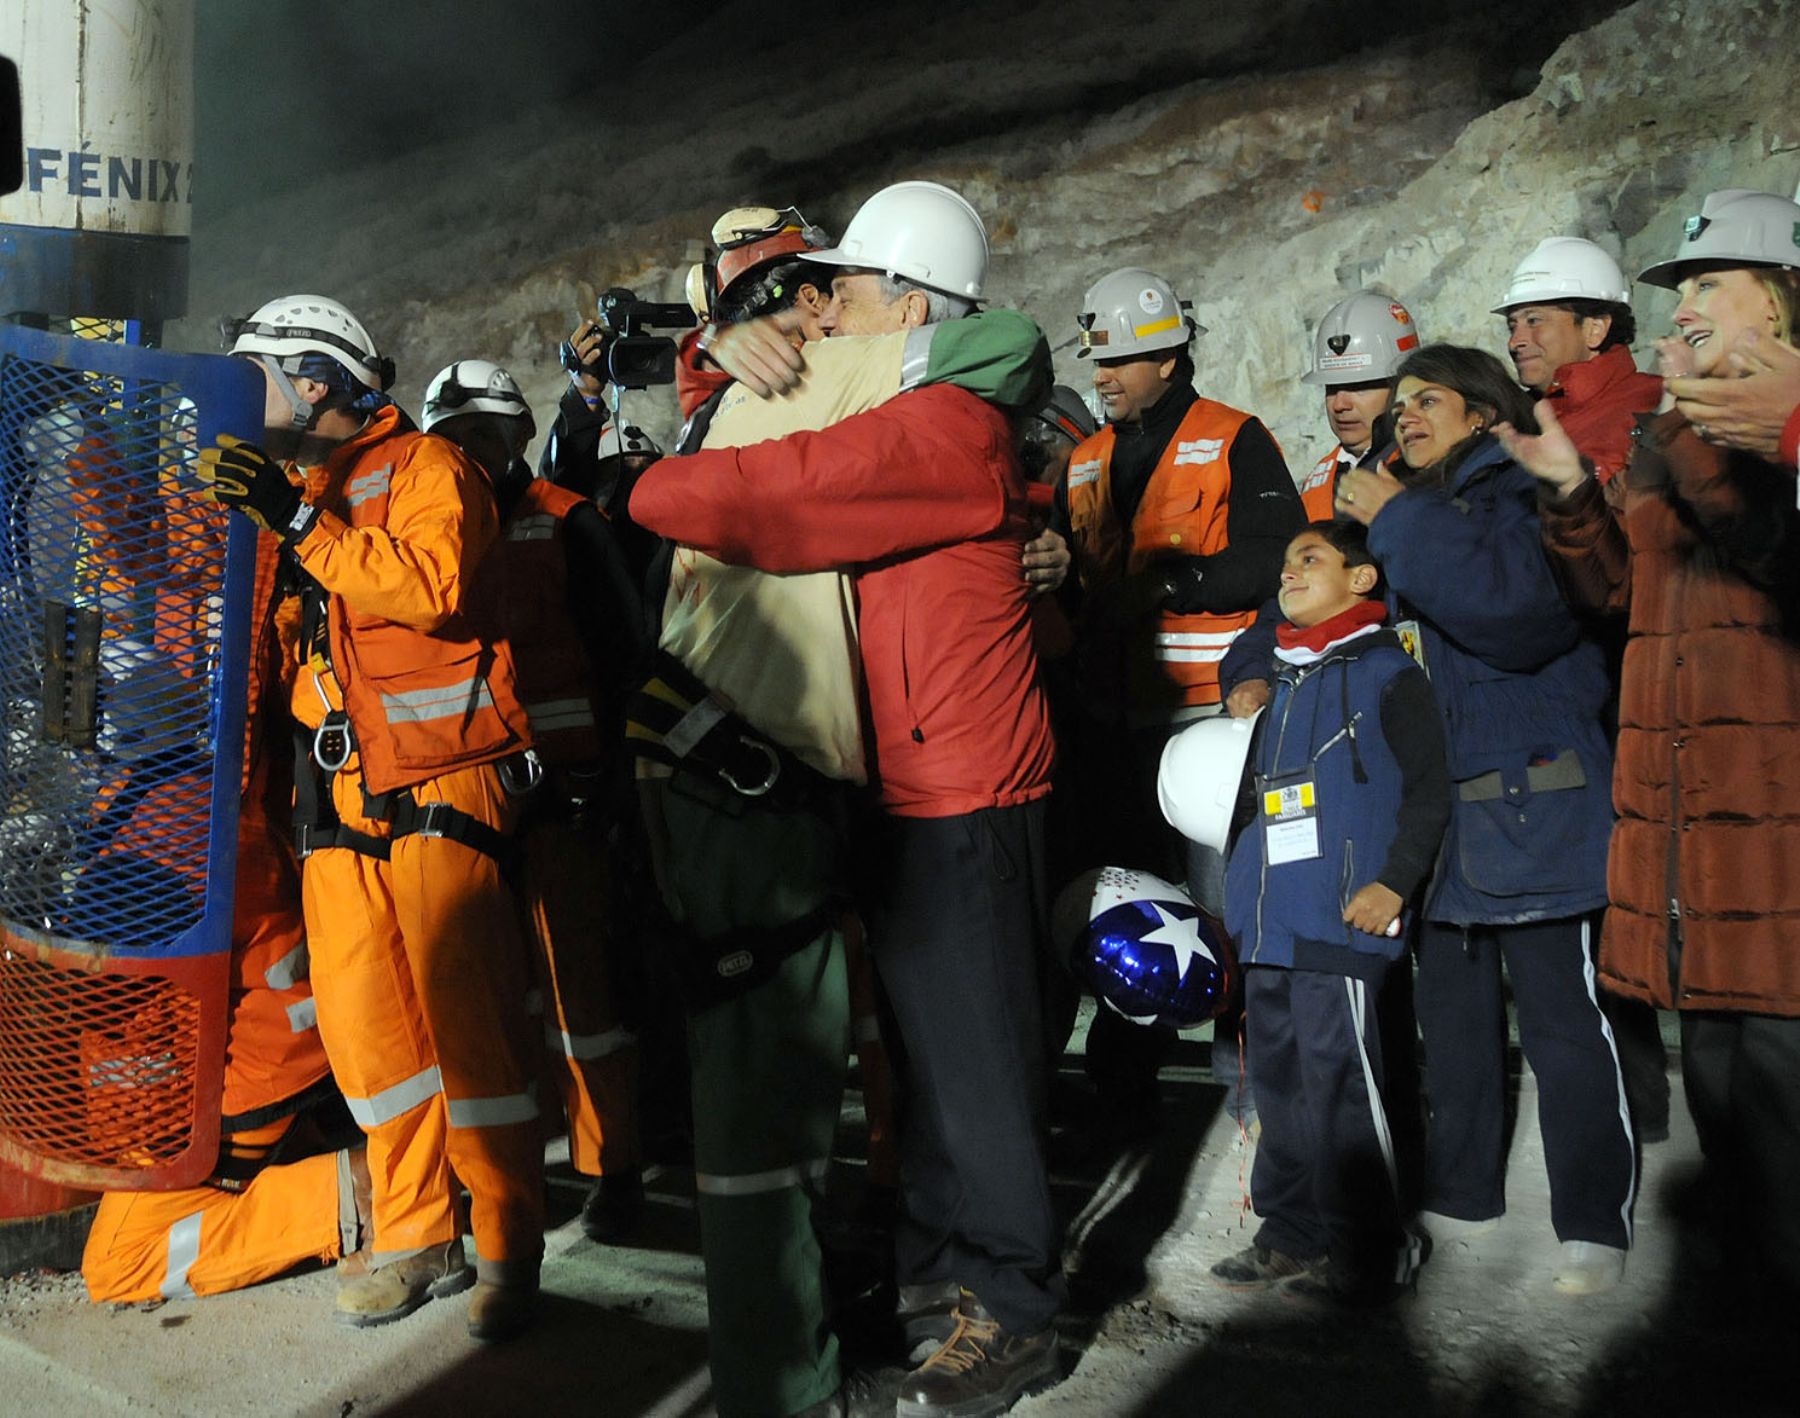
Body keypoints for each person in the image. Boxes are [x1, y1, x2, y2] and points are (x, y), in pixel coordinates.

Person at [632, 179, 1064, 1418]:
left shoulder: (943, 430)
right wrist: (723, 355)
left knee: (977, 1069)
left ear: (913, 303)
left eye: (853, 294)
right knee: (928, 1069)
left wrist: (658, 488)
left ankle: (1015, 1308)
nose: (827, 318)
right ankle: (940, 1285)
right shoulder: (922, 405)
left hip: (963, 789)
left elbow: (769, 492)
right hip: (914, 778)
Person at [199, 296, 544, 1340]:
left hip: (448, 774)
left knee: (467, 1021)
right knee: (368, 1031)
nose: (246, 395)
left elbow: (430, 585)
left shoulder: (430, 469)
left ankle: (506, 1242)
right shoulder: (299, 489)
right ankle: (413, 1229)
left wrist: (301, 524)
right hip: (343, 790)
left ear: (316, 379)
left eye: (260, 373)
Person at [1507, 187, 1800, 1310]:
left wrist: (1706, 442)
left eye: (1709, 290)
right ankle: (1737, 1296)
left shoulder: (1739, 438)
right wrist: (1575, 497)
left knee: (1778, 1066)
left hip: (1771, 801)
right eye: (1679, 295)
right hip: (1691, 800)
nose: (1682, 316)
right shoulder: (1677, 433)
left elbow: (1774, 553)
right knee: (1718, 1061)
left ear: (1775, 305)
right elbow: (1616, 594)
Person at [1334, 343, 1636, 1296]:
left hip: (1533, 792)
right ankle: (1463, 1197)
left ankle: (1595, 1220)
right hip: (1443, 810)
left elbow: (1516, 615)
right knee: (1451, 1016)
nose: (1407, 415)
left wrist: (1399, 520)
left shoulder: (1509, 495)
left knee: (1562, 1017)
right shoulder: (1408, 508)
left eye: (1432, 399)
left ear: (1482, 415)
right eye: (1403, 403)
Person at [83, 536, 362, 1304]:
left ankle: (358, 1197)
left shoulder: (157, 834)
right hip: (284, 1044)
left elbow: (128, 1037)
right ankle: (327, 1160)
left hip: (262, 1064)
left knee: (121, 1261)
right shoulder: (195, 796)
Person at [1058, 265, 1303, 1126]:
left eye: (1121, 362)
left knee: (1224, 913)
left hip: (1205, 723)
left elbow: (1279, 552)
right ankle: (1122, 1091)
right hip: (1113, 727)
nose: (1104, 377)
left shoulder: (1235, 437)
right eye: (1098, 363)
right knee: (1125, 913)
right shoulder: (1082, 461)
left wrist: (1175, 586)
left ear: (1168, 357)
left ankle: (1250, 1097)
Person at [420, 359, 648, 1244]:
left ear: (519, 434)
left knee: (582, 990)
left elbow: (627, 653)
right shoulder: (435, 525)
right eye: (454, 437)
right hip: (474, 792)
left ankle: (614, 1166)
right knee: (498, 993)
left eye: (485, 432)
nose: (471, 451)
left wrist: (611, 780)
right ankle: (524, 1171)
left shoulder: (567, 521)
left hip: (569, 790)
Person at [1210, 520, 1448, 1304]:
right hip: (1273, 924)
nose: (1288, 572)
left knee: (1344, 1082)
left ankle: (1374, 1245)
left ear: (1362, 580)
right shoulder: (1280, 681)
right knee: (1278, 1082)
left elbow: (1429, 790)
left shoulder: (1388, 674)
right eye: (1283, 561)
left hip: (1343, 916)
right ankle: (1292, 1234)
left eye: (1310, 557)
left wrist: (1393, 883)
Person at [1495, 236, 1672, 1141]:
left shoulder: (1638, 413)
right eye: (1514, 321)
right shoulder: (1538, 415)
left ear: (1596, 324)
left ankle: (1638, 1113)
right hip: (1560, 687)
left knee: (1613, 899)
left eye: (1537, 319)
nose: (1519, 335)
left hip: (1611, 680)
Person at [1494, 237, 1662, 485]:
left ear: (1594, 329)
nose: (1515, 342)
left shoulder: (1657, 405)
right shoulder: (1515, 419)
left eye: (1534, 321)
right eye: (1512, 326)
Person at [1295, 290, 1421, 520]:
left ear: (1402, 385)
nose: (1340, 405)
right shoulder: (1317, 484)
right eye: (1331, 389)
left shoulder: (1428, 463)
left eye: (1359, 387)